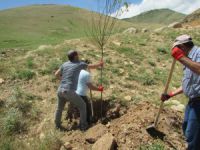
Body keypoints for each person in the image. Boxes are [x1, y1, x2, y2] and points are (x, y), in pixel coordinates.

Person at [161, 34, 200, 150]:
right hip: (193, 102)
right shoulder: (188, 59)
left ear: (182, 46)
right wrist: (170, 94)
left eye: (176, 49)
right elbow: (188, 84)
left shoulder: (198, 53)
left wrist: (181, 57)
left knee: (192, 134)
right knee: (186, 127)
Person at [54, 50, 103, 131]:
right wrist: (100, 64)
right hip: (69, 91)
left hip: (60, 90)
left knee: (59, 108)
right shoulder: (80, 64)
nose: (79, 56)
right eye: (77, 55)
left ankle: (57, 125)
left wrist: (63, 80)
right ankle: (83, 126)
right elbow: (91, 66)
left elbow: (56, 74)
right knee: (83, 106)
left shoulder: (64, 64)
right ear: (75, 56)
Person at [76, 60, 104, 124]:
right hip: (81, 94)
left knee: (84, 108)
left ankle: (86, 122)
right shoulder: (87, 74)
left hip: (76, 93)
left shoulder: (80, 72)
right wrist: (99, 89)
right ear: (88, 67)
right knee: (86, 110)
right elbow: (90, 87)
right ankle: (86, 123)